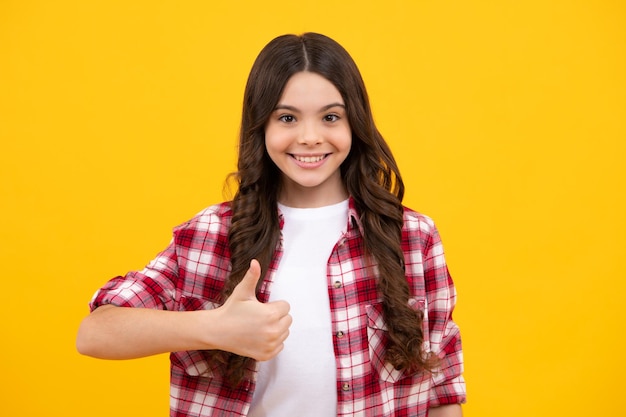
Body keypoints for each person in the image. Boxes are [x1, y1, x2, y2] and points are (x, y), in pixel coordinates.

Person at [76, 32, 466, 417]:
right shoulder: (211, 235)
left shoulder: (412, 238)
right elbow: (95, 333)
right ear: (261, 126)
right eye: (287, 118)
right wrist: (213, 327)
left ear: (355, 124)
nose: (310, 137)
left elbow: (442, 389)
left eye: (331, 117)